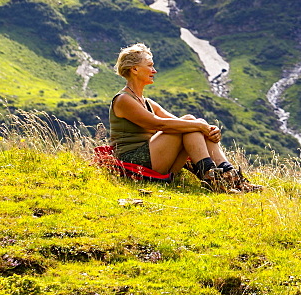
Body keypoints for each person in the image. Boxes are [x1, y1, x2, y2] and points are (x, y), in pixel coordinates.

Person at [109, 42, 255, 193]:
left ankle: (230, 176)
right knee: (191, 123)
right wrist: (200, 126)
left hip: (156, 158)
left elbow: (181, 123)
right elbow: (160, 124)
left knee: (191, 122)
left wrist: (208, 129)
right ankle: (212, 177)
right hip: (134, 161)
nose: (155, 70)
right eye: (150, 66)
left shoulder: (147, 102)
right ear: (135, 69)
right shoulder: (123, 100)